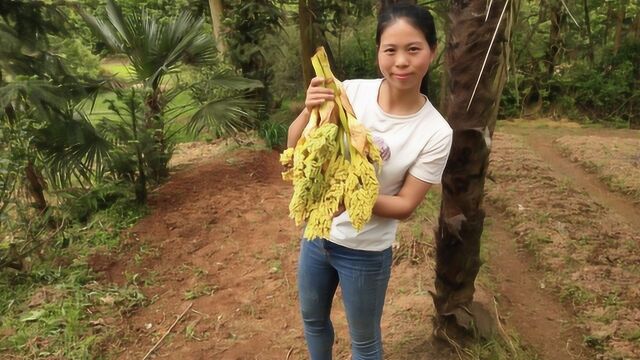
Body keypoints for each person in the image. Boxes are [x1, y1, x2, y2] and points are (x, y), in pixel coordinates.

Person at [287, 3, 453, 360]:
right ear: (378, 50)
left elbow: (406, 205)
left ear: (433, 51)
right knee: (313, 320)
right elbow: (297, 150)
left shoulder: (436, 131)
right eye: (390, 50)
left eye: (413, 49)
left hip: (365, 252)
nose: (401, 62)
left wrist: (352, 197)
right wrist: (307, 108)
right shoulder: (349, 92)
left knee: (364, 342)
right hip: (318, 237)